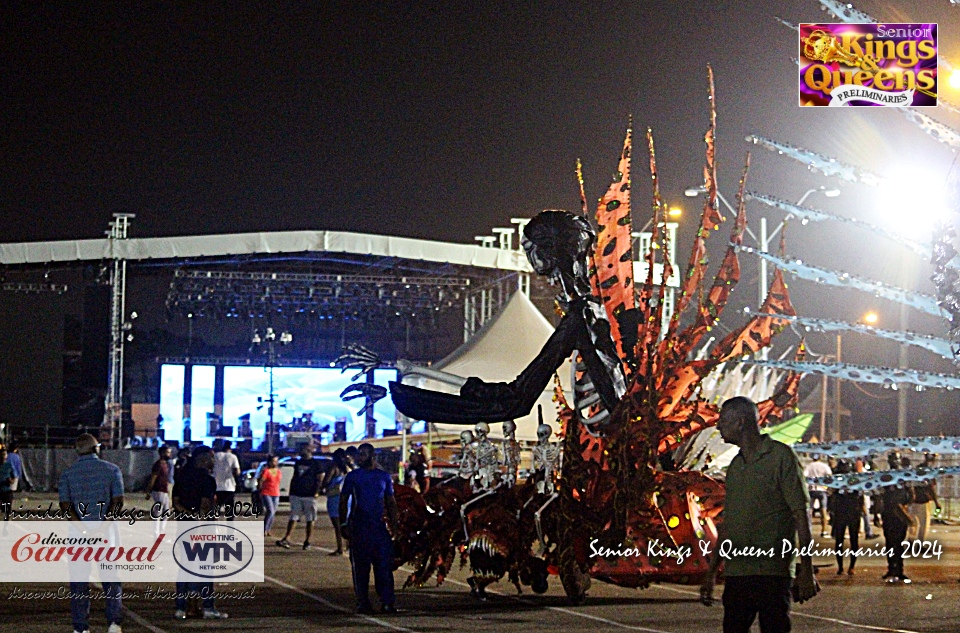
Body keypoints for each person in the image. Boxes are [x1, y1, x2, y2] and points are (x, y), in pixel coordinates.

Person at [700, 397, 819, 633]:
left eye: (723, 420)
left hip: (772, 572)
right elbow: (729, 523)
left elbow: (800, 515)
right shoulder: (735, 466)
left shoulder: (781, 457)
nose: (718, 426)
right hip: (738, 572)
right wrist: (712, 572)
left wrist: (806, 570)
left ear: (741, 423)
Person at [58, 434, 125, 633]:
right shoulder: (112, 470)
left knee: (79, 581)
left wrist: (83, 529)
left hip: (78, 536)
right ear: (96, 448)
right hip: (106, 534)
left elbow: (65, 506)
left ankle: (81, 627)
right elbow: (118, 501)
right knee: (110, 578)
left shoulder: (68, 473)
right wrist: (103, 527)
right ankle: (114, 623)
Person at [340, 443, 399, 614]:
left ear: (373, 456)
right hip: (359, 527)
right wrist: (344, 524)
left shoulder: (384, 477)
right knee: (361, 568)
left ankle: (387, 602)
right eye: (359, 454)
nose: (360, 457)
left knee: (384, 567)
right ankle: (363, 602)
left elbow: (390, 502)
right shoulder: (353, 477)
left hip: (378, 528)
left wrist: (395, 526)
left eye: (364, 454)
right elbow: (343, 501)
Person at [172, 445, 228, 619]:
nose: (214, 460)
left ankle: (182, 607)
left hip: (184, 527)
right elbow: (206, 507)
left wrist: (188, 515)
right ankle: (207, 607)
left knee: (185, 568)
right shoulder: (206, 479)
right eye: (211, 457)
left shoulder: (181, 476)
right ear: (203, 459)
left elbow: (176, 502)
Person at [276, 443, 325, 550]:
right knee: (293, 516)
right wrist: (291, 490)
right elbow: (295, 476)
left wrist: (317, 491)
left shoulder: (316, 463)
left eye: (303, 449)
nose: (301, 451)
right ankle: (286, 538)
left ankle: (308, 540)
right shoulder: (298, 462)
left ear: (309, 450)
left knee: (310, 518)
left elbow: (320, 478)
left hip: (309, 494)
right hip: (297, 493)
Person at [828, 460, 863, 575]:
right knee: (848, 541)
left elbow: (832, 498)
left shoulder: (850, 483)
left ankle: (846, 567)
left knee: (843, 541)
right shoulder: (839, 484)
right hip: (847, 513)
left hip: (846, 513)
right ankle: (845, 567)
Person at [321, 448, 351, 555]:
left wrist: (322, 486)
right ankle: (348, 545)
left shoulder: (334, 468)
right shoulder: (348, 468)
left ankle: (340, 548)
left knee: (337, 525)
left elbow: (326, 481)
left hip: (335, 497)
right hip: (348, 498)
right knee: (347, 522)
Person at [145, 445, 172, 535]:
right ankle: (157, 532)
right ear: (162, 453)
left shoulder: (165, 464)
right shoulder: (158, 464)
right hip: (158, 490)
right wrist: (149, 491)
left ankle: (161, 531)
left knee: (166, 511)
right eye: (168, 452)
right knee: (158, 512)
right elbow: (153, 478)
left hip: (163, 491)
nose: (169, 454)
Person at [803, 454, 832, 538]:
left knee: (810, 511)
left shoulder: (809, 466)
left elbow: (804, 475)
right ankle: (824, 531)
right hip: (822, 489)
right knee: (823, 510)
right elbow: (829, 476)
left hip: (811, 489)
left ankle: (809, 529)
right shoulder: (824, 466)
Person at [213, 440, 241, 521]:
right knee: (229, 512)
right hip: (229, 487)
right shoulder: (233, 457)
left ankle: (214, 529)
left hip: (216, 487)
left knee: (215, 510)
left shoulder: (216, 456)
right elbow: (237, 471)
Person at [258, 455, 281, 536]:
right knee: (270, 511)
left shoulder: (278, 471)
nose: (276, 463)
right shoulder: (266, 471)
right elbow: (261, 481)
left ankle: (268, 529)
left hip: (276, 493)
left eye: (276, 461)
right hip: (266, 493)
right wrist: (260, 490)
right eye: (274, 461)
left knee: (273, 512)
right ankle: (264, 529)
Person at [0, 448, 14, 520]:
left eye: (4, 454)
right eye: (1, 454)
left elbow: (13, 478)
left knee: (7, 511)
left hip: (7, 491)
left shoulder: (9, 465)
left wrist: (10, 481)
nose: (3, 456)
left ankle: (6, 526)